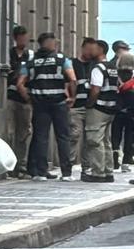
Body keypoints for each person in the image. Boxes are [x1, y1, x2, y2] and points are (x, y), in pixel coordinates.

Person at [17, 32, 77, 181]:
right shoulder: (62, 59)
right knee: (63, 137)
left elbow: (20, 84)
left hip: (39, 103)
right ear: (51, 43)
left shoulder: (31, 61)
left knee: (40, 137)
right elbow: (73, 79)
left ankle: (41, 172)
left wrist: (29, 98)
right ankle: (66, 173)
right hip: (59, 102)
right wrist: (72, 97)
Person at [83, 40, 120, 183]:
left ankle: (98, 172)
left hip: (98, 109)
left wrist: (89, 104)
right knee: (106, 141)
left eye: (93, 49)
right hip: (110, 109)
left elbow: (95, 89)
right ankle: (108, 171)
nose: (90, 51)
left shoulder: (98, 68)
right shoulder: (112, 67)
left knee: (94, 141)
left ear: (100, 50)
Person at [5, 25, 34, 177]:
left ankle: (21, 164)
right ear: (15, 38)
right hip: (10, 97)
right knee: (9, 131)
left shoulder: (31, 55)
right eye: (20, 38)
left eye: (25, 37)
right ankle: (10, 165)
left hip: (25, 98)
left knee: (24, 133)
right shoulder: (8, 54)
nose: (23, 40)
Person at [110, 40, 134, 173]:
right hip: (131, 109)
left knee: (115, 133)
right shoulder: (133, 78)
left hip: (116, 107)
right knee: (129, 134)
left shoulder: (111, 68)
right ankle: (126, 161)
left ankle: (115, 158)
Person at [69, 37, 96, 170]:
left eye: (93, 50)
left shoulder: (96, 65)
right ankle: (68, 164)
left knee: (89, 138)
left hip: (91, 107)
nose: (90, 53)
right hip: (76, 106)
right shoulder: (72, 63)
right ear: (82, 48)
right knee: (74, 134)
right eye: (88, 49)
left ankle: (87, 166)